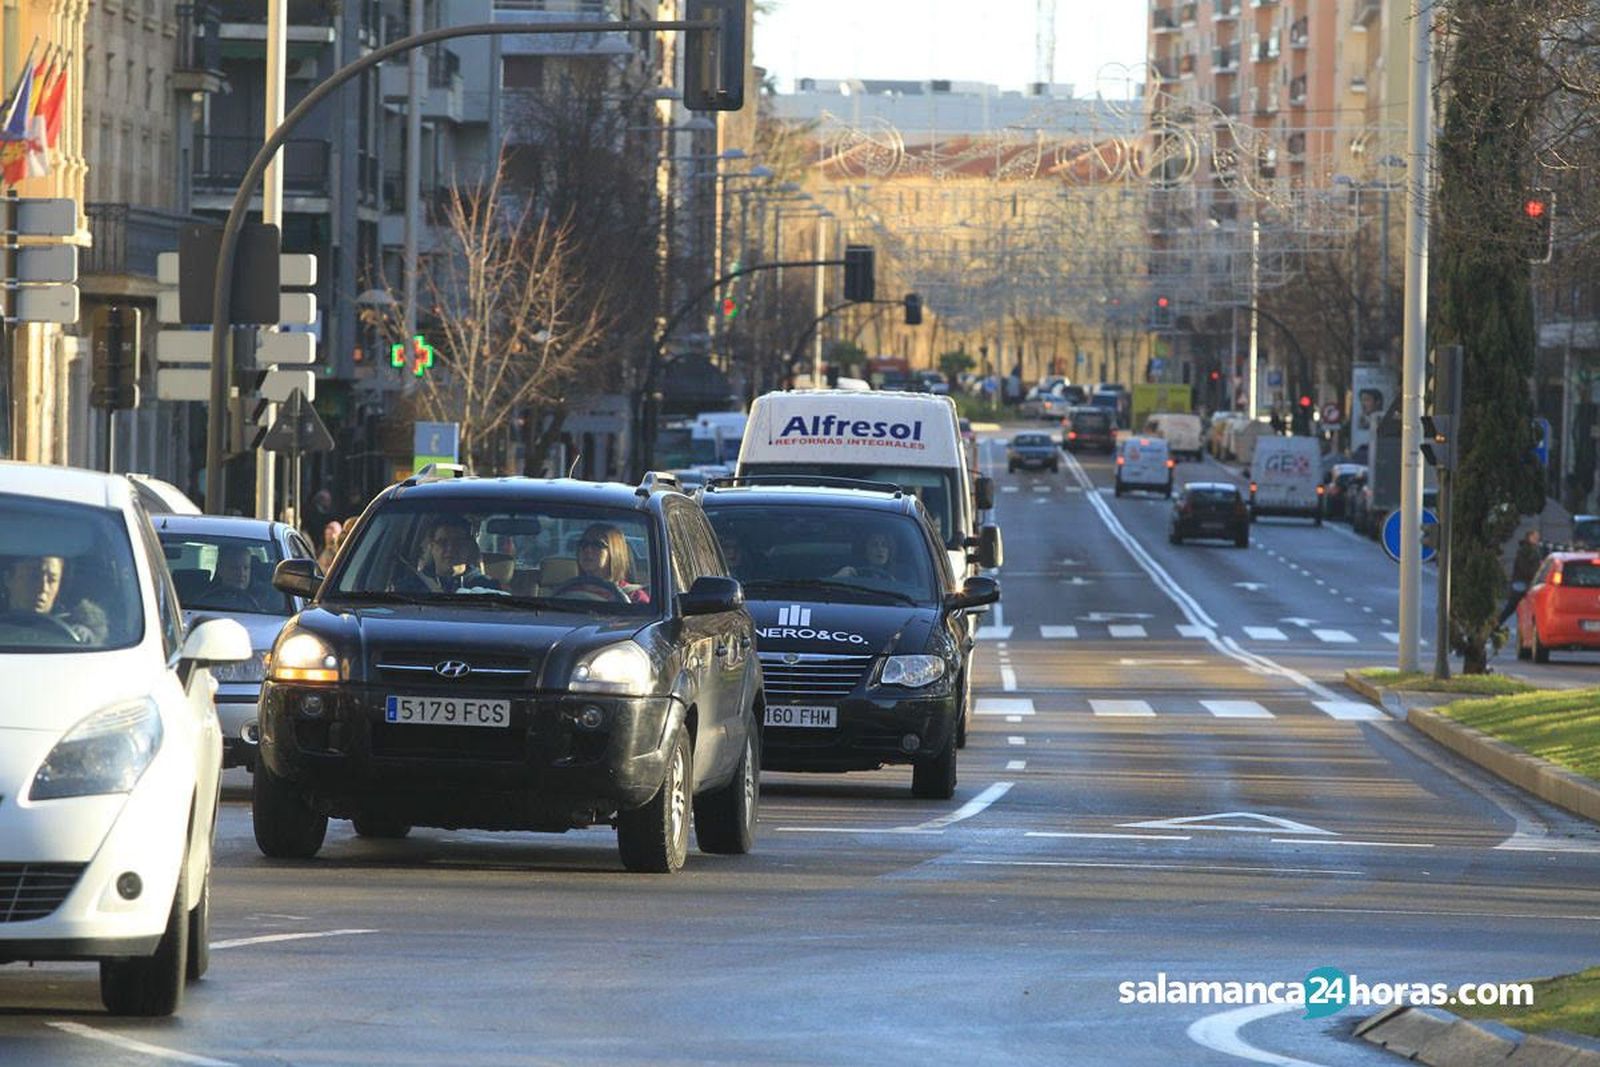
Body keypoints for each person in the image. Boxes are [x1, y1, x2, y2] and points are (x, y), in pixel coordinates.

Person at [2, 555, 108, 643]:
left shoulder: (81, 637)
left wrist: (85, 639)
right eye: (34, 576)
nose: (43, 588)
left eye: (52, 580)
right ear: (8, 578)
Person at [396, 515, 501, 594]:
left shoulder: (488, 589)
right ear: (432, 546)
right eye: (442, 542)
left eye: (458, 542)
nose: (450, 548)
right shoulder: (410, 588)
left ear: (468, 547)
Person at [554, 523, 649, 603]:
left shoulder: (635, 597)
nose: (588, 550)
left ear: (614, 552)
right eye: (583, 544)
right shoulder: (566, 593)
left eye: (597, 545)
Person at [200, 543, 269, 612]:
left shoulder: (266, 598)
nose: (241, 573)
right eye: (234, 568)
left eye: (246, 568)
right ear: (220, 569)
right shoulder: (202, 598)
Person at [1497, 529, 1543, 627]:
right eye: (1535, 536)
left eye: (1537, 536)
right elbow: (1523, 567)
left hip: (1527, 582)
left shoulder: (1534, 549)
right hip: (1521, 582)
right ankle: (1496, 624)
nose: (1537, 538)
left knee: (1521, 608)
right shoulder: (1525, 550)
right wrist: (1535, 573)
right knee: (1511, 607)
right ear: (1529, 537)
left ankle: (1498, 624)